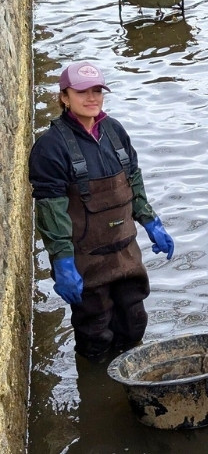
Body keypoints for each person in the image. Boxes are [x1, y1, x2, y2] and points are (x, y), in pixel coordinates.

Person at [28, 61, 175, 361]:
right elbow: (51, 212)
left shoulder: (114, 131)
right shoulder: (50, 148)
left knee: (135, 322)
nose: (91, 98)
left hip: (125, 253)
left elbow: (133, 180)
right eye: (82, 92)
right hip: (85, 261)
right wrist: (63, 263)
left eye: (97, 91)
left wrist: (151, 221)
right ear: (65, 97)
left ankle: (128, 383)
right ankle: (94, 389)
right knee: (96, 332)